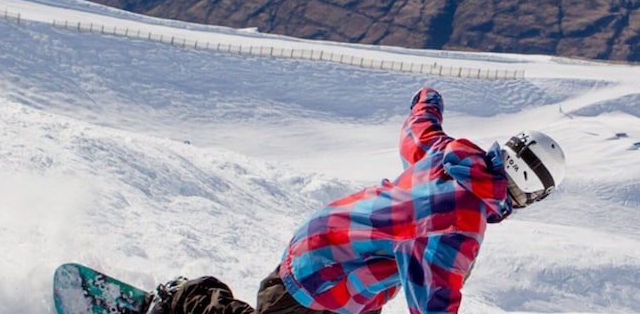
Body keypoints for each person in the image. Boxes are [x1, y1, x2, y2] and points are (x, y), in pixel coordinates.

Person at [144, 87, 568, 314]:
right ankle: (186, 297)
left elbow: (417, 132)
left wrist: (427, 101)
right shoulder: (459, 225)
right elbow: (434, 299)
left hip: (343, 263)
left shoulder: (453, 155)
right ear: (530, 191)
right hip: (323, 276)